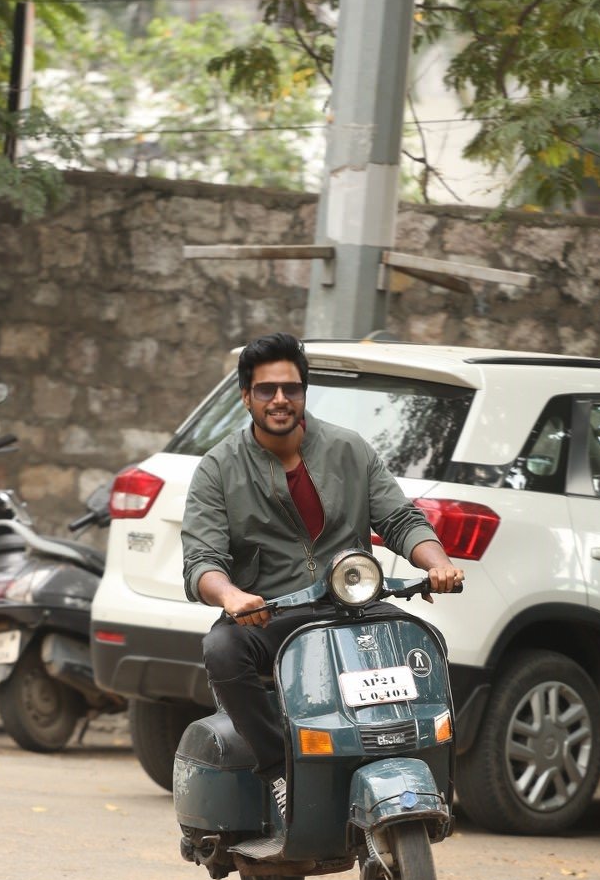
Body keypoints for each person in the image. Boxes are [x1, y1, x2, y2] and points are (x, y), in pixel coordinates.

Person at [181, 331, 463, 824]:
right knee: (222, 651)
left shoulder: (350, 450)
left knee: (425, 644)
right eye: (266, 390)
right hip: (271, 614)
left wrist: (435, 562)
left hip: (352, 606)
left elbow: (400, 519)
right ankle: (278, 768)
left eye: (291, 388)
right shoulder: (218, 468)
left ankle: (426, 771)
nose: (280, 400)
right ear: (246, 396)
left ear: (305, 392)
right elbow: (201, 560)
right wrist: (231, 595)